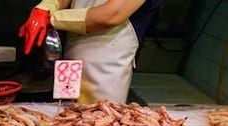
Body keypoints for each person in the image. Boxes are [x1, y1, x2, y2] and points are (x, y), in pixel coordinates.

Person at [19, 0, 161, 103]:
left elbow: (111, 14)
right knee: (65, 116)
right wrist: (46, 7)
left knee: (101, 125)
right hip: (72, 59)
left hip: (106, 67)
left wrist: (51, 19)